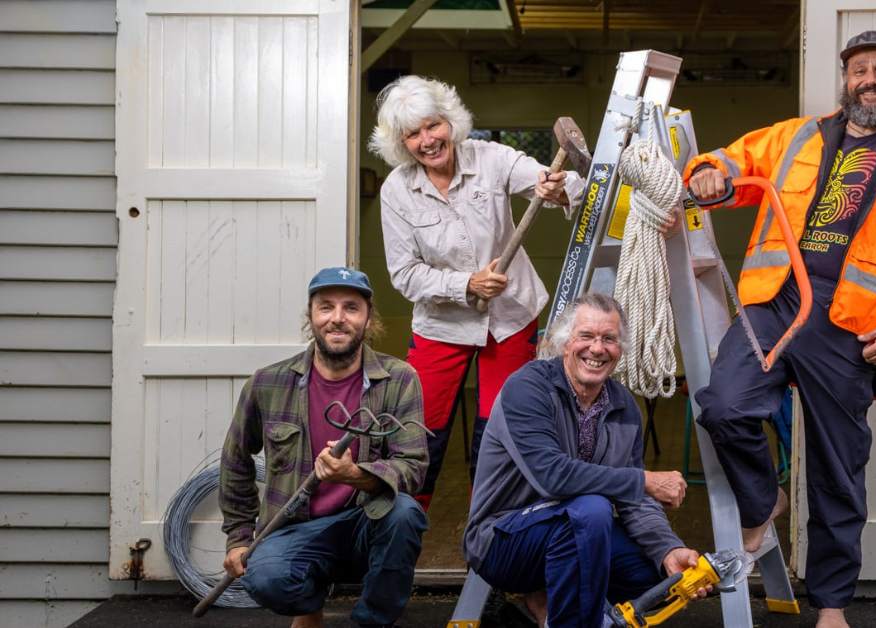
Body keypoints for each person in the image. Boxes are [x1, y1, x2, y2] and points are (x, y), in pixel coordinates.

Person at [684, 31, 876, 628]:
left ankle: (832, 605)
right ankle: (766, 502)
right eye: (860, 68)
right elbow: (732, 162)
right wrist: (706, 171)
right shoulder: (797, 135)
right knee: (725, 406)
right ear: (845, 79)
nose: (870, 78)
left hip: (851, 322)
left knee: (837, 470)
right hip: (776, 299)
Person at [370, 75, 586, 509]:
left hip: (509, 317)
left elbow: (566, 184)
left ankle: (489, 532)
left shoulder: (491, 158)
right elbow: (405, 274)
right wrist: (465, 284)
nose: (428, 141)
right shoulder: (397, 190)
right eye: (413, 134)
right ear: (401, 143)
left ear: (450, 121)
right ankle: (403, 530)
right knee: (418, 432)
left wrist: (555, 187)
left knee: (500, 431)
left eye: (433, 125)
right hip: (441, 324)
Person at [464, 293, 708, 628]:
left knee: (660, 580)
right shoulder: (528, 388)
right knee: (592, 509)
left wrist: (668, 550)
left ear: (619, 350)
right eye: (586, 336)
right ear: (565, 343)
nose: (597, 349)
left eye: (609, 339)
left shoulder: (624, 407)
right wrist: (644, 480)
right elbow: (552, 476)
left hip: (576, 530)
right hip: (504, 538)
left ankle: (561, 604)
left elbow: (635, 502)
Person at [219, 267, 429, 628]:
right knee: (265, 577)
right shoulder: (268, 383)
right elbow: (236, 460)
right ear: (311, 316)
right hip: (294, 530)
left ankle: (370, 621)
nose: (337, 318)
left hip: (364, 526)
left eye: (351, 308)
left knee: (405, 513)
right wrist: (238, 538)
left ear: (367, 318)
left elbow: (413, 468)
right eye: (326, 307)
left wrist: (357, 475)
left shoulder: (398, 380)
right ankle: (309, 605)